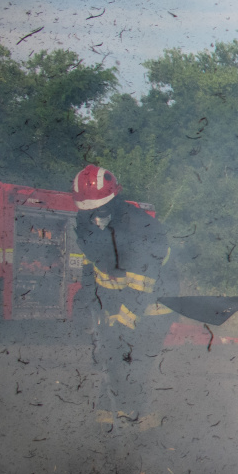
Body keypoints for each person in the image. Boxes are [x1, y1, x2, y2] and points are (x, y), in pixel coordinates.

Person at [72, 165, 173, 430]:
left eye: (101, 208)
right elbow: (91, 270)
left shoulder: (142, 227)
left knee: (136, 364)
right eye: (89, 210)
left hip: (153, 308)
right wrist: (97, 315)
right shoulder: (86, 222)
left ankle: (143, 431)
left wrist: (122, 325)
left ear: (116, 199)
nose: (96, 215)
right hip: (117, 305)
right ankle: (106, 425)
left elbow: (141, 286)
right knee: (111, 360)